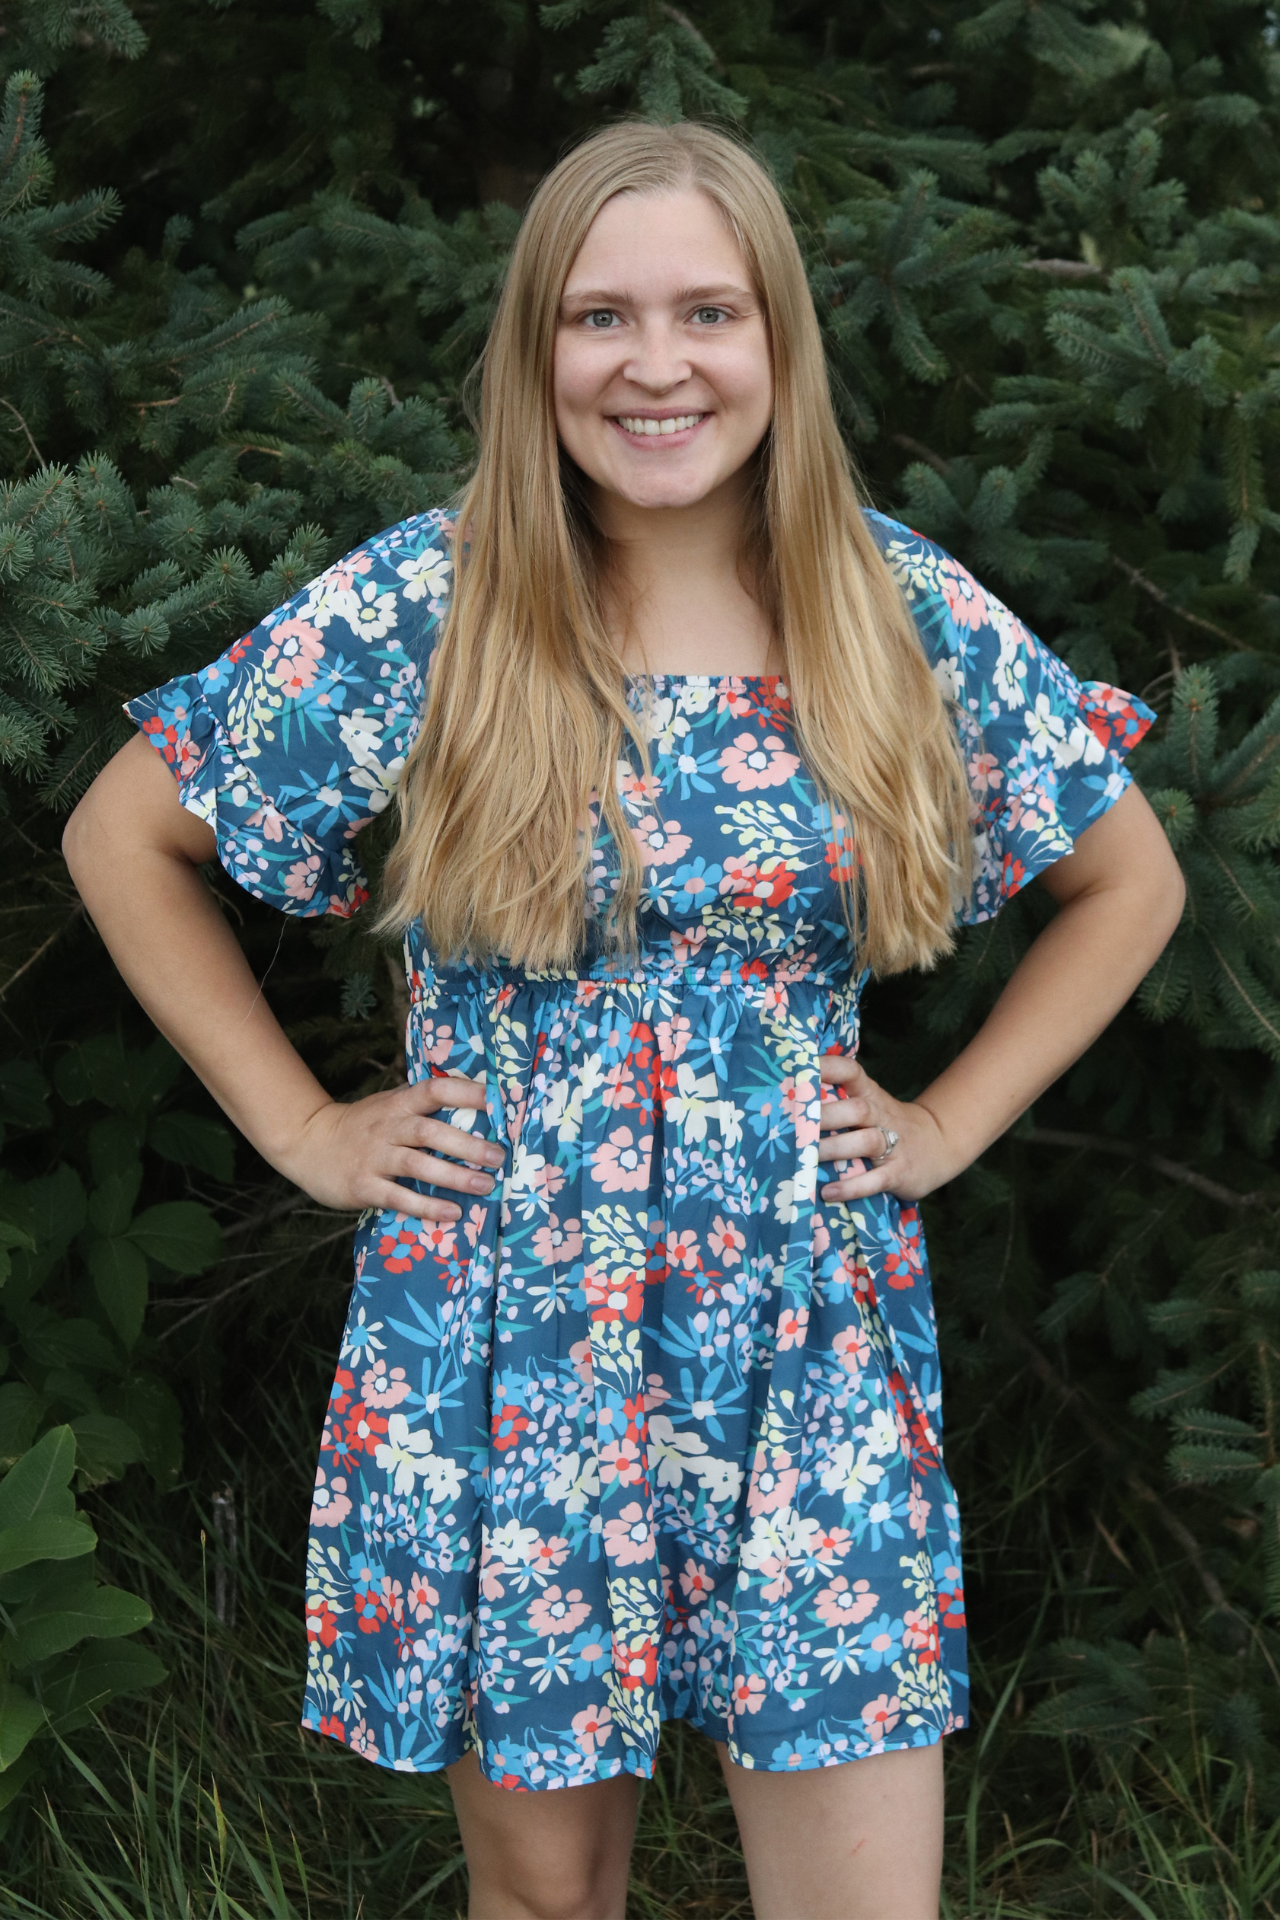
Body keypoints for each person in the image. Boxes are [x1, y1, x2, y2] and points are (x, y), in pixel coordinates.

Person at [63, 120, 1184, 1920]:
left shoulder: (889, 609)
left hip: (805, 1330)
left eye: (706, 312)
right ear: (537, 353)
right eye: (600, 316)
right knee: (551, 1901)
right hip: (508, 1328)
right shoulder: (436, 602)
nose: (656, 364)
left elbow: (1129, 882)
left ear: (779, 344)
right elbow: (125, 830)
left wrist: (950, 1125)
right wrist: (302, 1126)